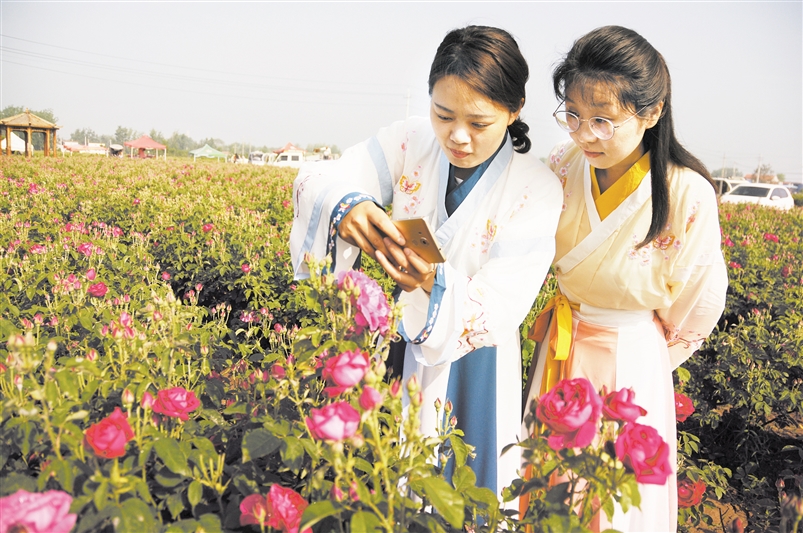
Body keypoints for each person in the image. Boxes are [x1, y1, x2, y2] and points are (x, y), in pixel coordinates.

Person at [290, 25, 563, 501]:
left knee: (465, 492)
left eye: (479, 123)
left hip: (476, 358)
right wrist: (348, 205)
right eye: (443, 114)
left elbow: (503, 301)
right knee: (385, 478)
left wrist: (433, 282)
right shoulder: (410, 140)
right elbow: (325, 177)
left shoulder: (536, 187)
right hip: (401, 338)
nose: (457, 136)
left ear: (514, 109)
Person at [522, 26, 728, 531]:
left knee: (616, 501)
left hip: (631, 354)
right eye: (573, 115)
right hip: (561, 345)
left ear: (651, 113)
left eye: (603, 120)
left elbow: (697, 302)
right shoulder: (561, 165)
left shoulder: (687, 193)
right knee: (545, 487)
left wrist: (648, 348)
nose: (584, 134)